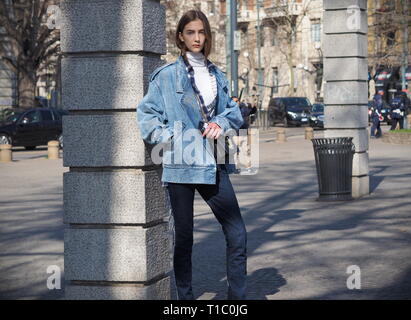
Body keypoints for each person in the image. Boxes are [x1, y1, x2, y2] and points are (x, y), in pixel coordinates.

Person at [137, 10, 247, 300]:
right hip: (181, 163)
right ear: (180, 37)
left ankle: (237, 298)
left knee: (237, 232)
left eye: (201, 32)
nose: (197, 38)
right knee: (184, 237)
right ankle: (184, 299)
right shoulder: (166, 76)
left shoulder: (216, 75)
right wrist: (170, 138)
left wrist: (220, 123)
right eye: (190, 33)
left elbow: (232, 112)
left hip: (215, 162)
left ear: (207, 36)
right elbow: (147, 116)